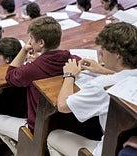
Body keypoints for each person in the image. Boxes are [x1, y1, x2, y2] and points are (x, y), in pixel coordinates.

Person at [0, 16, 81, 155]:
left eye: (31, 39)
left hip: (38, 127)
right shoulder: (71, 60)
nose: (30, 42)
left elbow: (10, 75)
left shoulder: (33, 69)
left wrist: (24, 50)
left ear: (41, 42)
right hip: (65, 124)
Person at [47, 22, 137, 156]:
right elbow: (124, 77)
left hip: (107, 149)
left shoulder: (102, 85)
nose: (100, 52)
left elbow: (63, 106)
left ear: (118, 54)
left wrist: (69, 75)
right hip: (125, 143)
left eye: (104, 48)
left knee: (53, 136)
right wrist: (104, 70)